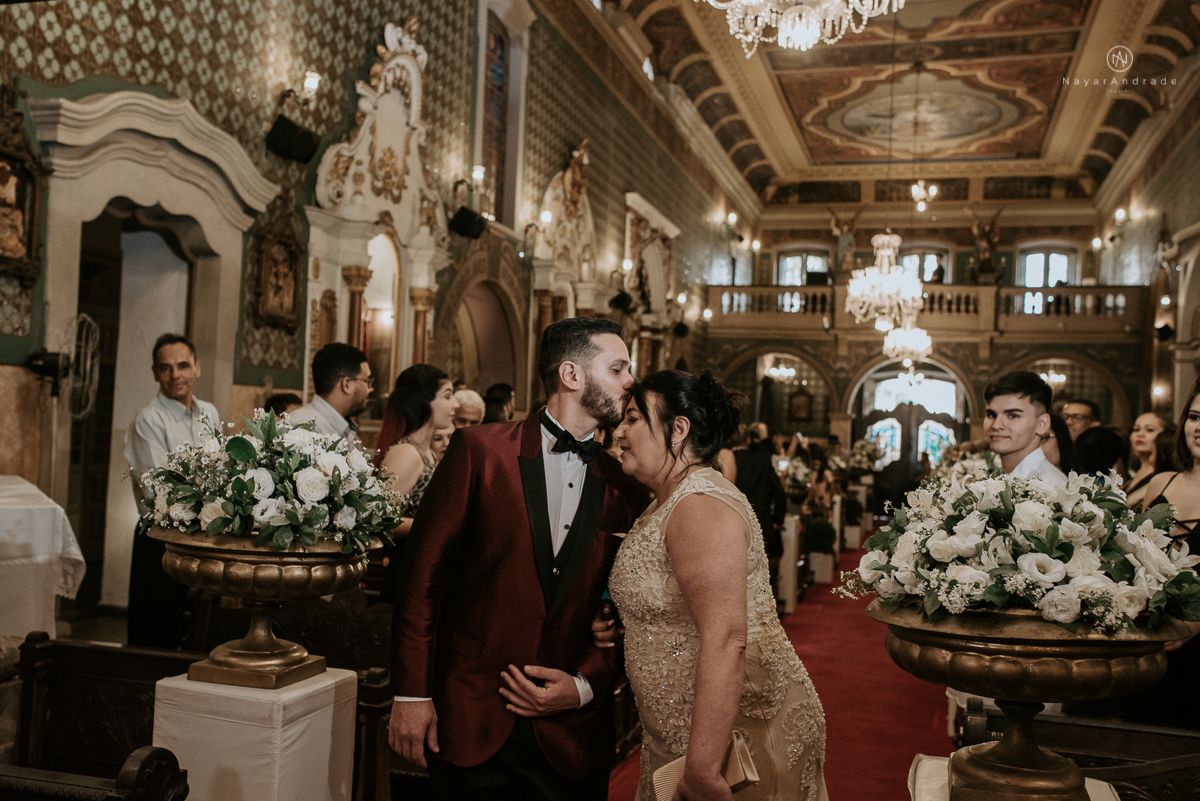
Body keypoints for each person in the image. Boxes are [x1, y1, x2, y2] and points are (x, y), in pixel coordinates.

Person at [388, 317, 648, 799]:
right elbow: (421, 581)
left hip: (571, 733)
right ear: (572, 375)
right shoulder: (479, 452)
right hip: (469, 716)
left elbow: (632, 609)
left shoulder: (626, 484)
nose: (631, 380)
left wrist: (585, 685)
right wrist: (411, 693)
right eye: (618, 368)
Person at [609, 370, 827, 800]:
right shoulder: (667, 500)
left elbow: (727, 637)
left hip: (736, 737)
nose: (618, 432)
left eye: (632, 419)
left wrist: (704, 768)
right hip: (681, 731)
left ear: (679, 429)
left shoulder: (699, 504)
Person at [124, 334, 220, 648]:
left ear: (197, 367)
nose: (175, 374)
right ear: (155, 372)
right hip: (159, 540)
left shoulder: (209, 412)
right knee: (157, 637)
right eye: (165, 368)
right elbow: (160, 491)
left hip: (203, 537)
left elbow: (219, 473)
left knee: (203, 634)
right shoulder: (148, 421)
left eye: (182, 365)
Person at [984, 371, 1067, 486]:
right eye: (991, 415)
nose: (996, 425)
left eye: (1013, 416)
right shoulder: (1003, 477)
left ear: (1041, 424)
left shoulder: (1050, 487)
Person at [289, 343, 371, 444]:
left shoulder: (344, 428)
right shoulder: (302, 428)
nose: (370, 389)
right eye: (366, 381)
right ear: (347, 385)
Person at [1125, 412, 1174, 508]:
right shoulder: (1132, 474)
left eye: (1149, 430)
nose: (1140, 434)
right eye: (1136, 429)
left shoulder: (1164, 477)